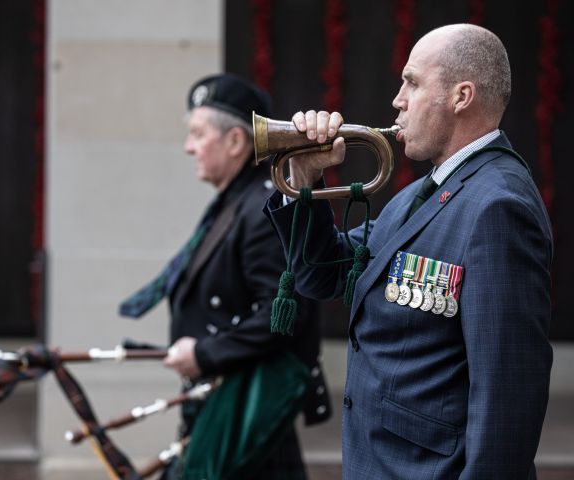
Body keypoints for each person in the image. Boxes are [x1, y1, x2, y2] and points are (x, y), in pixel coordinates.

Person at [265, 24, 553, 479]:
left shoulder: (498, 206)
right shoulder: (424, 191)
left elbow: (508, 396)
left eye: (412, 82)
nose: (398, 99)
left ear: (461, 97)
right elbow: (322, 275)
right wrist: (303, 180)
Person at [119, 73, 331, 478]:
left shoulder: (262, 206)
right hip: (229, 408)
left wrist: (204, 354)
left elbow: (283, 314)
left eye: (198, 135)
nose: (188, 147)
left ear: (235, 141)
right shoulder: (238, 202)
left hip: (247, 413)